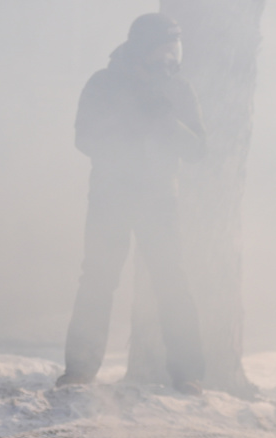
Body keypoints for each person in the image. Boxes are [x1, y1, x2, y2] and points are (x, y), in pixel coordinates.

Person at [57, 13, 206, 394]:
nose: (171, 55)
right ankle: (80, 368)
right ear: (143, 47)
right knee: (97, 280)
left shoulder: (178, 89)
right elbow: (84, 137)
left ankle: (189, 373)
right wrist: (128, 125)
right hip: (111, 197)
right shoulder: (105, 84)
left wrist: (167, 123)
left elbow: (199, 149)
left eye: (175, 46)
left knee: (172, 282)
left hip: (159, 201)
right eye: (163, 46)